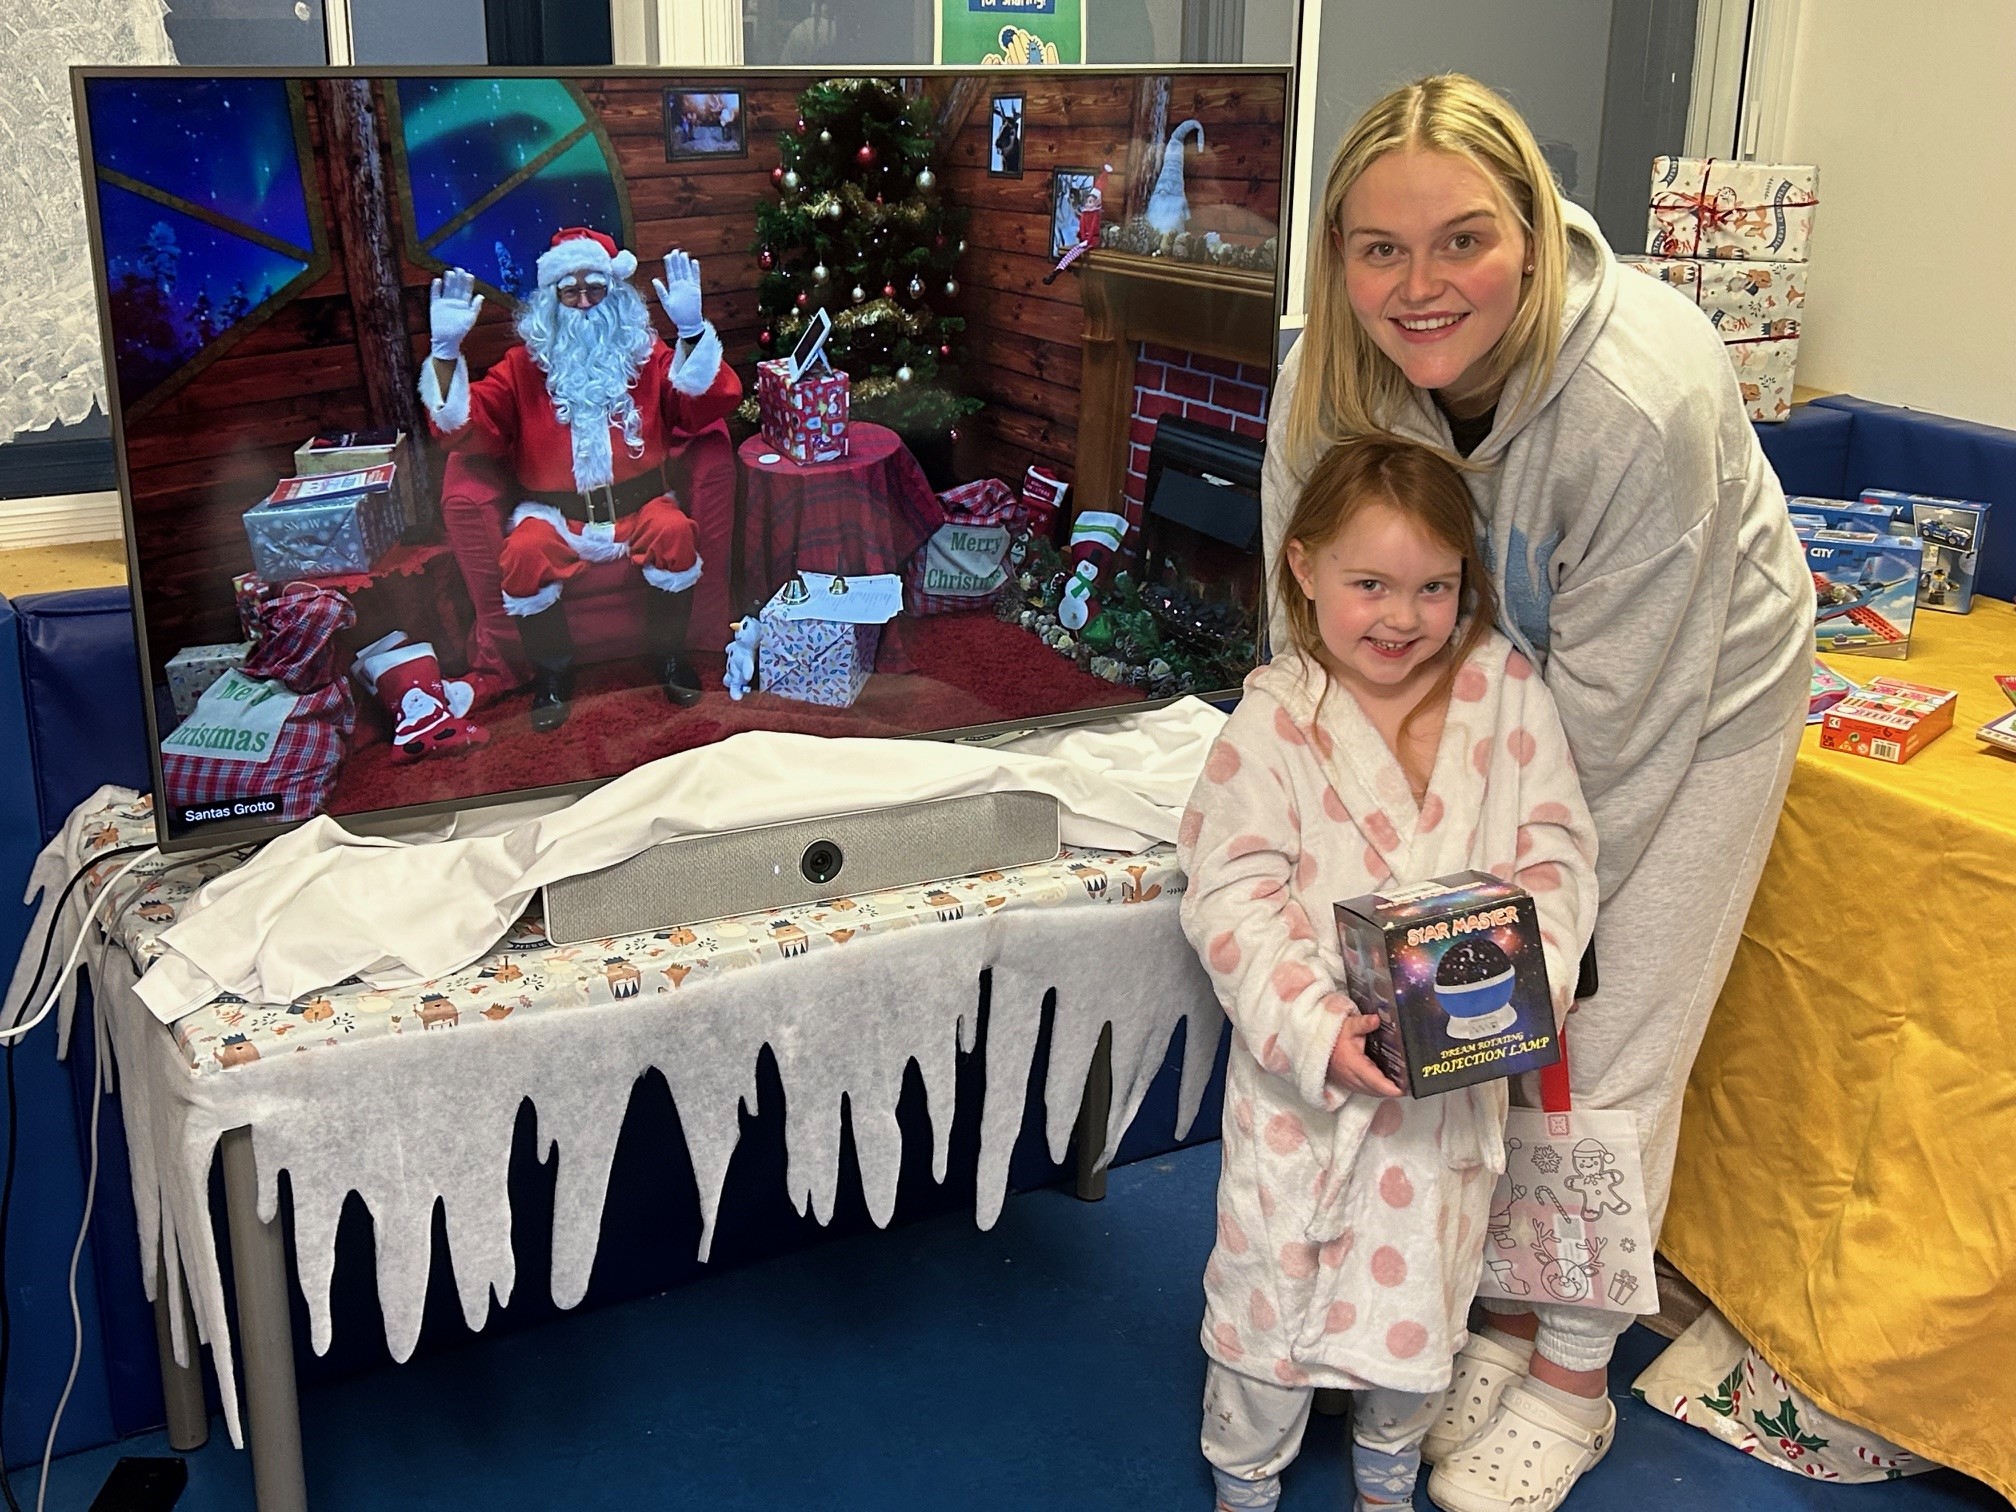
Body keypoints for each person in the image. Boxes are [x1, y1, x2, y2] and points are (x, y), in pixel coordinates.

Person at [1263, 75, 1812, 1511]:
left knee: (1598, 1022)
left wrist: (1534, 934)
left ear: (1536, 233)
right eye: (1379, 249)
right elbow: (1302, 617)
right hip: (1480, 663)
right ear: (1339, 257)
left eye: (1463, 241)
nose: (1419, 285)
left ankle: (1576, 1372)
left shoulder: (1644, 393)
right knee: (1458, 1019)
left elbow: (1616, 749)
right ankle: (1500, 1316)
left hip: (1694, 700)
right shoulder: (1327, 369)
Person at [1179, 435, 1599, 1512]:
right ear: (1306, 567)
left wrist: (1515, 983)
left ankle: (1386, 1483)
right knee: (1271, 1310)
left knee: (1420, 1310)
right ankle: (1246, 1482)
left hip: (1447, 1089)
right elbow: (1229, 892)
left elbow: (1557, 853)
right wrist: (1314, 1024)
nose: (1400, 618)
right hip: (1309, 1099)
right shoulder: (1277, 719)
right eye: (1368, 585)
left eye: (1433, 588)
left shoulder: (1503, 693)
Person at [420, 227, 741, 731]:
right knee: (524, 553)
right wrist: (444, 353)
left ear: (615, 294)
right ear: (551, 298)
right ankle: (552, 675)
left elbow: (704, 406)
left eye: (596, 288)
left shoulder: (645, 355)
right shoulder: (521, 367)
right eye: (571, 291)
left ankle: (670, 658)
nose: (585, 303)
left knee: (675, 532)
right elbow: (461, 425)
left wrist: (694, 331)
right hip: (555, 516)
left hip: (641, 506)